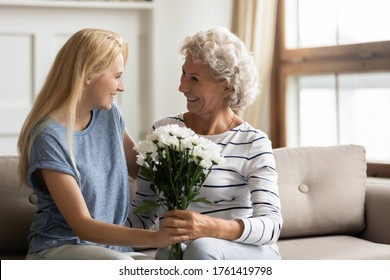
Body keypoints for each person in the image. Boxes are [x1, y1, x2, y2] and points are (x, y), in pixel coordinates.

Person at [17, 28, 188, 260]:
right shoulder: (48, 136)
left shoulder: (109, 115)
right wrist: (155, 237)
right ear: (88, 74)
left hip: (112, 251)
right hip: (58, 248)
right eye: (117, 76)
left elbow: (144, 172)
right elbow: (83, 226)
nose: (122, 86)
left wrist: (188, 171)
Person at [129, 26, 283, 260]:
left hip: (248, 252)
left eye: (194, 78)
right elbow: (142, 214)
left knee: (202, 248)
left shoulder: (253, 142)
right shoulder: (165, 131)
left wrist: (209, 227)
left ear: (226, 85)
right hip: (186, 250)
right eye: (183, 73)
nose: (182, 87)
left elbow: (272, 225)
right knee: (168, 253)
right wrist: (87, 236)